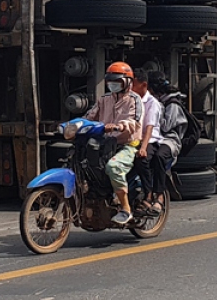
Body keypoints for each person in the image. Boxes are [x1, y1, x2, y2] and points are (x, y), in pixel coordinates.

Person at [66, 61, 143, 225]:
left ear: (128, 82)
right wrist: (72, 125)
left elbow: (134, 121)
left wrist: (120, 125)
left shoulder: (134, 100)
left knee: (113, 167)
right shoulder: (104, 99)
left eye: (118, 82)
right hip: (105, 143)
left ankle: (126, 209)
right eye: (111, 82)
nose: (114, 85)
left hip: (128, 144)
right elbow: (89, 117)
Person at [142, 71, 186, 214]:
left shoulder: (172, 103)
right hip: (155, 137)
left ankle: (159, 195)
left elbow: (166, 127)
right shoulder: (152, 100)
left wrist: (156, 111)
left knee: (159, 156)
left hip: (169, 139)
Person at [129, 68, 162, 213]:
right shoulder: (129, 100)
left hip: (149, 140)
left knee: (141, 159)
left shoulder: (152, 103)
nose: (130, 88)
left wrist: (143, 147)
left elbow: (149, 128)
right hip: (131, 140)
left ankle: (148, 195)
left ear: (143, 85)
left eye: (133, 85)